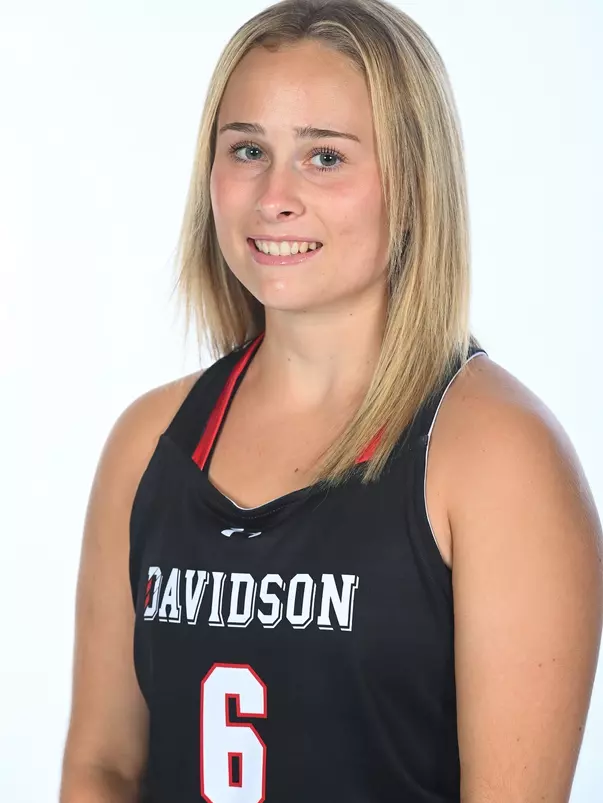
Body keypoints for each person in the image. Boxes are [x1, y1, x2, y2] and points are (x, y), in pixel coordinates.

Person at [59, 1, 603, 801]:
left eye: (324, 158)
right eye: (247, 149)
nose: (273, 196)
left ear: (414, 183)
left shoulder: (495, 456)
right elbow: (102, 766)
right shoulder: (151, 442)